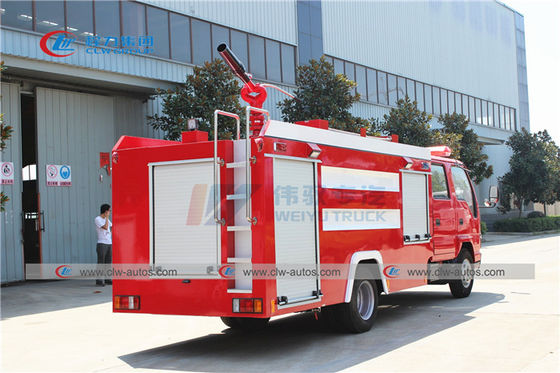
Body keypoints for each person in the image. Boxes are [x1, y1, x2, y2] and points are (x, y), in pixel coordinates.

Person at [95, 204, 112, 286]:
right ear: (105, 211)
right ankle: (99, 280)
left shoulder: (106, 220)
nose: (110, 212)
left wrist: (110, 233)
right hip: (102, 243)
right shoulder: (97, 219)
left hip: (109, 243)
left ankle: (108, 279)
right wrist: (107, 217)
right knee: (101, 262)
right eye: (109, 210)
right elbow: (105, 227)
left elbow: (111, 227)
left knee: (108, 262)